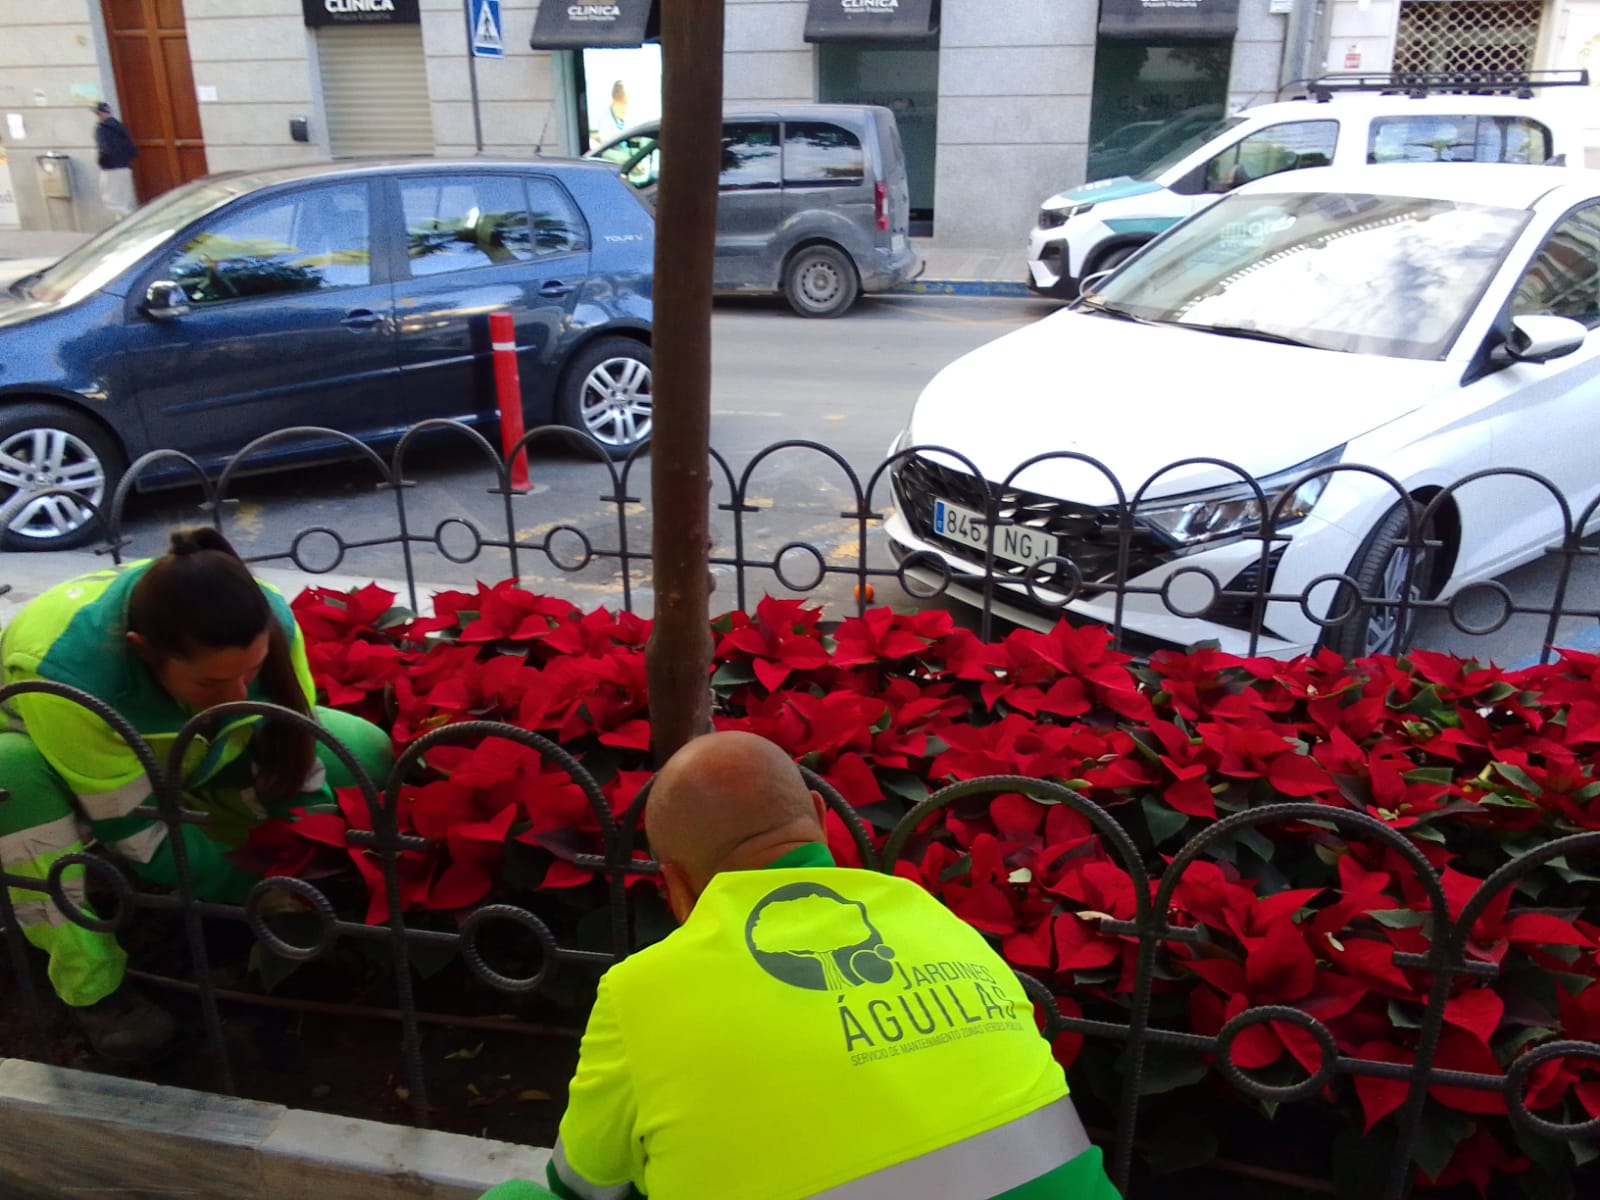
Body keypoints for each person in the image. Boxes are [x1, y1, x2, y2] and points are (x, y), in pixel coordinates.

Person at [480, 731, 1119, 1200]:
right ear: (819, 819)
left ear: (672, 885)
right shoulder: (934, 917)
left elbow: (585, 1185)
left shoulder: (640, 991)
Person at [0, 528, 392, 1064]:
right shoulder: (62, 670)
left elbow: (299, 760)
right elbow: (134, 828)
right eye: (211, 683)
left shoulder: (264, 616)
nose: (236, 695)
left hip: (189, 755)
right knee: (8, 777)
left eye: (250, 673)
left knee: (361, 750)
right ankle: (97, 991)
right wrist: (251, 888)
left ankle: (252, 928)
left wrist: (301, 869)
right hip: (60, 772)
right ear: (144, 653)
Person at [92, 100, 137, 220]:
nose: (97, 116)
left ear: (101, 114)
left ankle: (133, 219)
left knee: (110, 202)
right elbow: (131, 148)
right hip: (125, 167)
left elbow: (105, 148)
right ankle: (123, 227)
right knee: (123, 200)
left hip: (110, 168)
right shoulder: (120, 127)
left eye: (97, 113)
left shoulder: (102, 129)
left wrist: (102, 161)